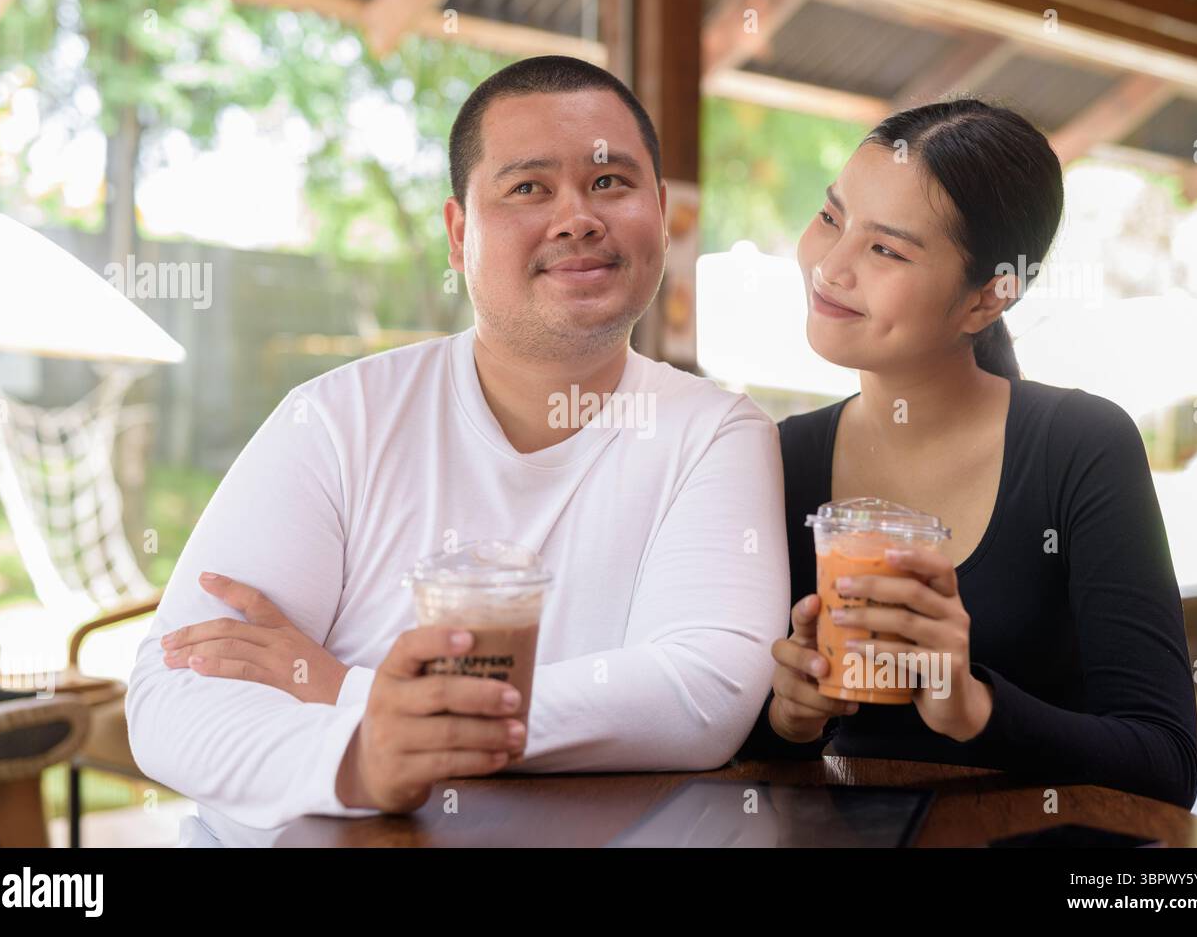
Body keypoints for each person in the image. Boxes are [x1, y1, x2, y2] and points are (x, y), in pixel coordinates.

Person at [126, 55, 789, 837]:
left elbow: (700, 692)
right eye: (528, 187)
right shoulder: (338, 420)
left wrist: (355, 692)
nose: (577, 216)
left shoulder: (715, 431)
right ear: (458, 233)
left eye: (610, 182)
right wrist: (365, 753)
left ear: (662, 211)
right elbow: (174, 689)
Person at [736, 98, 1197, 810]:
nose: (829, 267)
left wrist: (975, 706)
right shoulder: (783, 454)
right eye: (832, 217)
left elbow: (1165, 760)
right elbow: (754, 755)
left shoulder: (1079, 446)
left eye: (885, 249)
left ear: (987, 298)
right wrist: (788, 717)